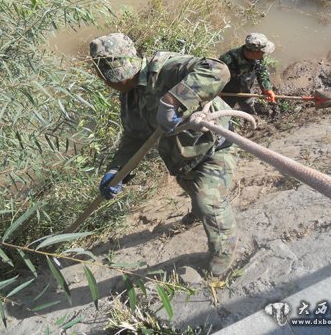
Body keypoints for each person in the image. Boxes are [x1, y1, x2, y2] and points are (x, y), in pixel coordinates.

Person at [90, 32, 240, 279]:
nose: (113, 83)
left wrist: (173, 100)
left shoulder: (166, 69)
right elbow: (134, 138)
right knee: (193, 191)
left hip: (214, 144)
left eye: (116, 78)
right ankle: (196, 215)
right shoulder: (129, 97)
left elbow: (218, 69)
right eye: (109, 79)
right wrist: (117, 170)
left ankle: (222, 258)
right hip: (182, 156)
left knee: (209, 202)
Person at [219, 33, 276, 115]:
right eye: (263, 52)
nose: (263, 54)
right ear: (254, 52)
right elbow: (215, 78)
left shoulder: (258, 58)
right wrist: (217, 94)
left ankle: (250, 117)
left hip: (246, 90)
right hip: (227, 93)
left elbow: (261, 70)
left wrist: (267, 89)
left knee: (248, 105)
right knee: (224, 112)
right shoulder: (227, 60)